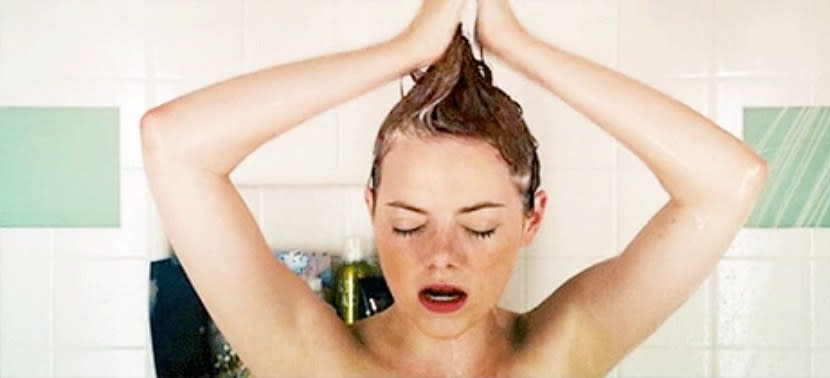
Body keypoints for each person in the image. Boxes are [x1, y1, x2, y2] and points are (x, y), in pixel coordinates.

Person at [140, 0, 769, 376]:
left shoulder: (561, 352)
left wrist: (517, 47)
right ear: (373, 209)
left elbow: (728, 181)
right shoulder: (318, 364)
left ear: (532, 219)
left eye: (481, 226)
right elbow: (175, 145)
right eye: (409, 223)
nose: (441, 254)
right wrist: (406, 49)